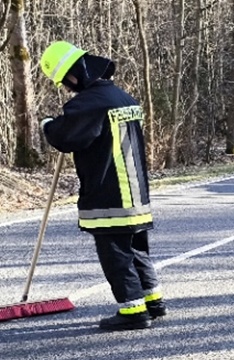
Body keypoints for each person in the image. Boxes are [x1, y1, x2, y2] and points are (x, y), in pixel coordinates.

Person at [39, 40, 162, 331]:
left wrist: (48, 125)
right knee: (137, 250)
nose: (68, 89)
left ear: (72, 74)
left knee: (115, 254)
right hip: (136, 193)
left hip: (109, 194)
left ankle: (133, 311)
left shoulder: (88, 104)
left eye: (65, 83)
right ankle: (152, 301)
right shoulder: (123, 98)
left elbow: (66, 137)